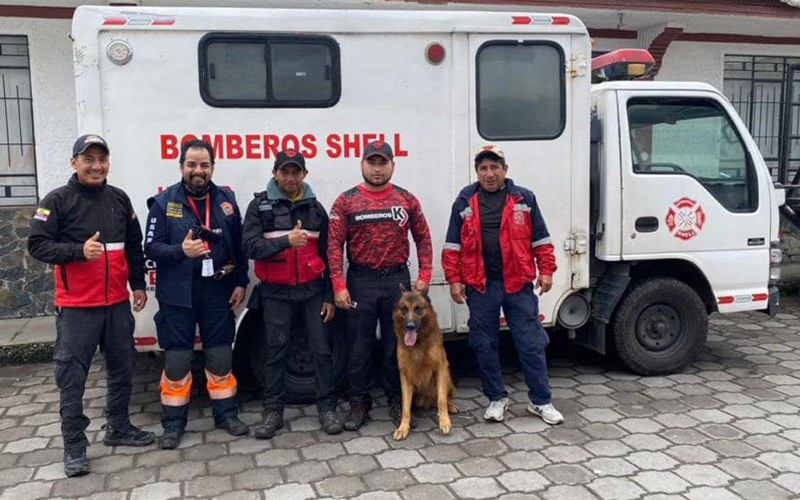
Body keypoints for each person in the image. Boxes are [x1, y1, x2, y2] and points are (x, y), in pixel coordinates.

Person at [28, 134, 155, 478]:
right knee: (72, 378)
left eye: (102, 159)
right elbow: (37, 245)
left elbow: (134, 246)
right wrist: (77, 252)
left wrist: (138, 285)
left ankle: (118, 427)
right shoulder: (57, 200)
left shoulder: (119, 199)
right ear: (74, 163)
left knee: (122, 369)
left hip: (116, 304)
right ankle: (74, 447)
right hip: (77, 308)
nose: (96, 166)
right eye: (89, 159)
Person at [442, 146, 564, 425]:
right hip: (481, 286)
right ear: (477, 172)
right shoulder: (464, 200)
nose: (489, 173)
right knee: (484, 345)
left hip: (517, 284)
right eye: (483, 168)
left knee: (531, 344)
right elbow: (452, 245)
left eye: (495, 167)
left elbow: (541, 239)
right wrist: (455, 279)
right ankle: (497, 398)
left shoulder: (524, 198)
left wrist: (546, 270)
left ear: (505, 170)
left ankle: (541, 401)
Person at [144, 139, 249, 449]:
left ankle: (226, 415)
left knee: (220, 355)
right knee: (177, 362)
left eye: (204, 164)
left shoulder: (226, 200)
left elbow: (238, 246)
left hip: (217, 290)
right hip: (178, 295)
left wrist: (241, 281)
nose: (198, 170)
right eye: (191, 164)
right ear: (181, 167)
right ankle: (173, 425)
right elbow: (151, 248)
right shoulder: (163, 202)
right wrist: (181, 251)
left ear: (212, 167)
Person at [328, 140, 433, 431]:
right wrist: (338, 284)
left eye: (383, 163)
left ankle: (398, 400)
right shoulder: (346, 201)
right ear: (362, 164)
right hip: (361, 281)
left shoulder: (406, 199)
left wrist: (425, 273)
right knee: (358, 346)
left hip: (397, 283)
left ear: (392, 166)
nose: (377, 169)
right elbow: (334, 245)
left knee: (397, 344)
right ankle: (359, 402)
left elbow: (423, 237)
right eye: (371, 163)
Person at [242, 149, 341, 438]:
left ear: (304, 174)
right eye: (284, 171)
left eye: (295, 172)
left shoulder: (315, 209)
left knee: (321, 350)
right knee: (275, 352)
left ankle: (327, 409)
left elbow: (330, 254)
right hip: (275, 292)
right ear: (274, 173)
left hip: (312, 292)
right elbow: (249, 246)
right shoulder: (259, 206)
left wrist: (329, 296)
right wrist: (286, 240)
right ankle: (273, 412)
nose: (290, 177)